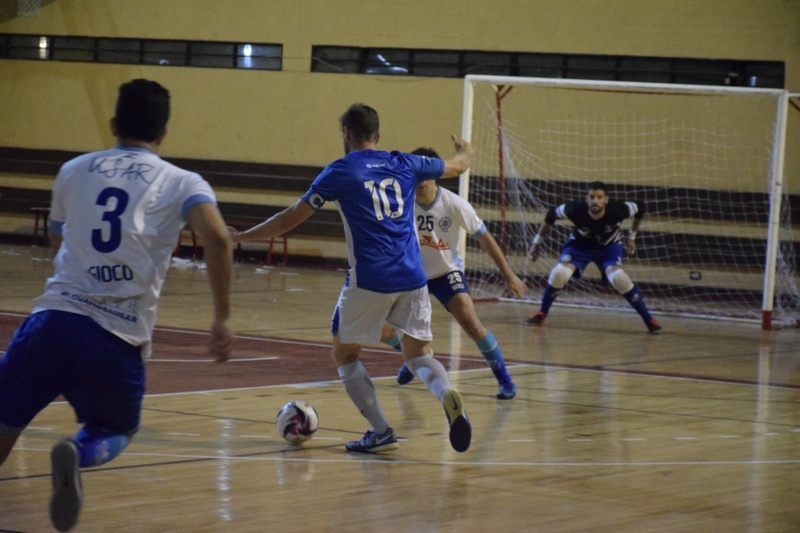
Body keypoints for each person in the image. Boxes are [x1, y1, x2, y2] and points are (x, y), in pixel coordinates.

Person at [0, 79, 235, 532]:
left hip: (51, 322)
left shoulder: (73, 170)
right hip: (115, 337)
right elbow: (219, 238)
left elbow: (59, 242)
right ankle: (79, 451)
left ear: (112, 124)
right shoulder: (182, 181)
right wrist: (222, 317)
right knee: (116, 430)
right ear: (163, 134)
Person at [229, 103, 473, 454]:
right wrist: (465, 149)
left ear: (346, 133)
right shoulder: (405, 162)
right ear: (378, 135)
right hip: (414, 277)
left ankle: (381, 430)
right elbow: (459, 166)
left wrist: (239, 238)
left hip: (371, 278)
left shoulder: (339, 171)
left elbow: (290, 219)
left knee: (344, 354)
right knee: (418, 354)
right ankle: (446, 392)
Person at [383, 148, 526, 400]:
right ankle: (413, 355)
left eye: (427, 174)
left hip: (445, 272)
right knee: (375, 322)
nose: (421, 181)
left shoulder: (455, 204)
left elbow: (485, 238)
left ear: (436, 174)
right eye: (417, 175)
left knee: (469, 319)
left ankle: (504, 379)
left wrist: (509, 275)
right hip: (411, 275)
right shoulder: (399, 203)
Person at [527, 180, 661, 334]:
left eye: (599, 197)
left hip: (608, 247)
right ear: (586, 199)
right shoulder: (575, 209)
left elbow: (641, 208)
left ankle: (649, 319)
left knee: (618, 277)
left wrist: (632, 237)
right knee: (559, 273)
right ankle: (542, 313)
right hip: (579, 246)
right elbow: (551, 214)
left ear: (606, 200)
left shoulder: (618, 210)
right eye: (591, 197)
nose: (595, 201)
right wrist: (536, 243)